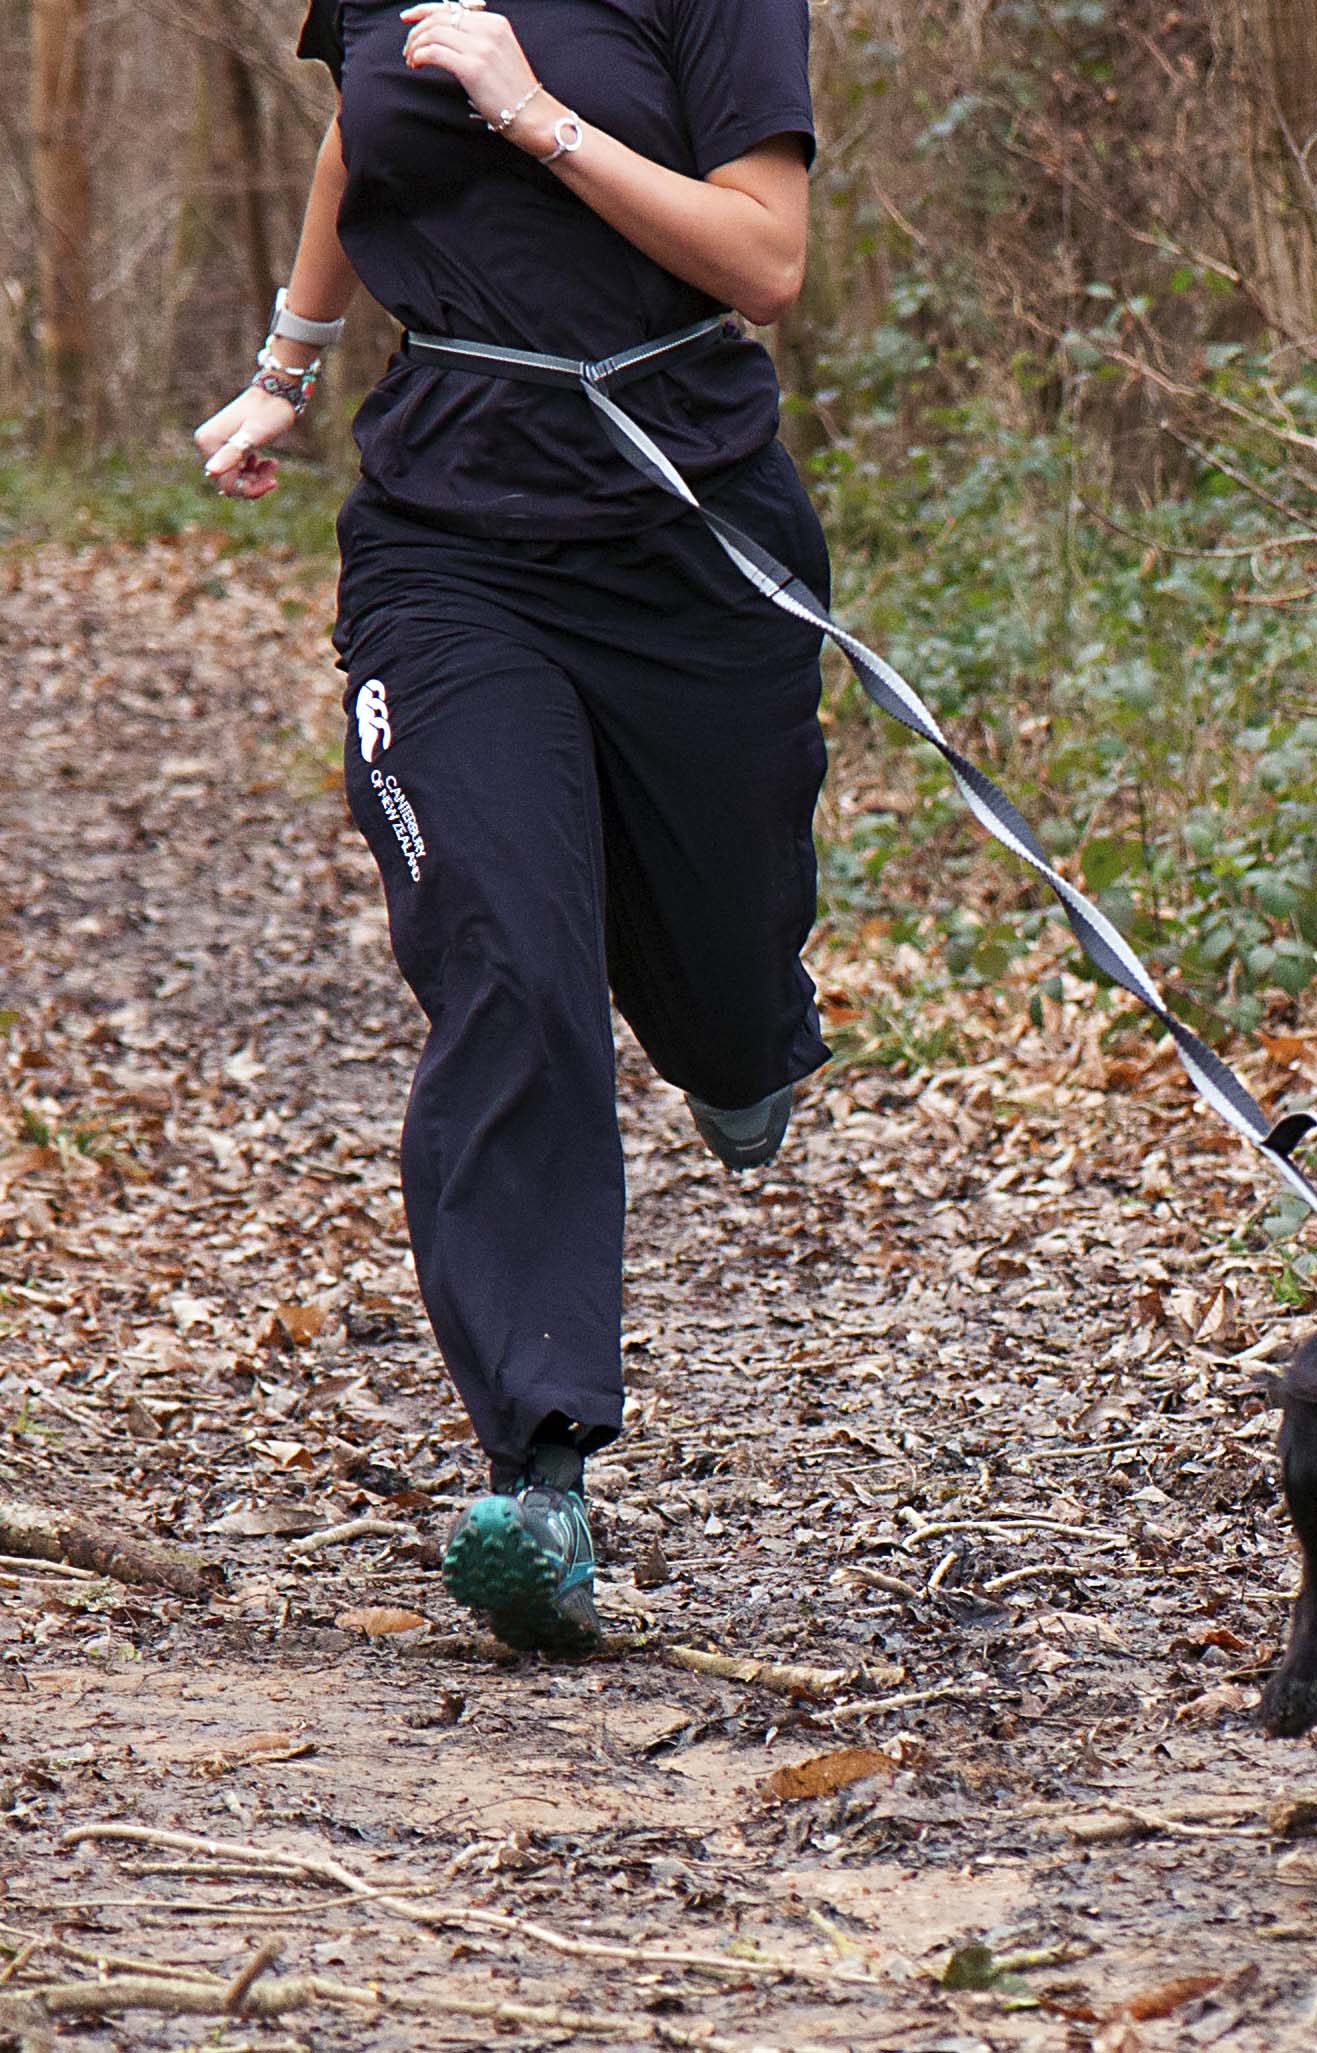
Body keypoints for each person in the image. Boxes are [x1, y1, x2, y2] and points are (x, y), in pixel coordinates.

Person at [193, 0, 830, 1653]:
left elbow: (764, 262)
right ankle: (537, 1469)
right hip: (447, 546)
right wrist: (287, 365)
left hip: (689, 532)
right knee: (506, 958)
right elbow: (361, 140)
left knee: (722, 950)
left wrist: (535, 111)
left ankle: (738, 1025)